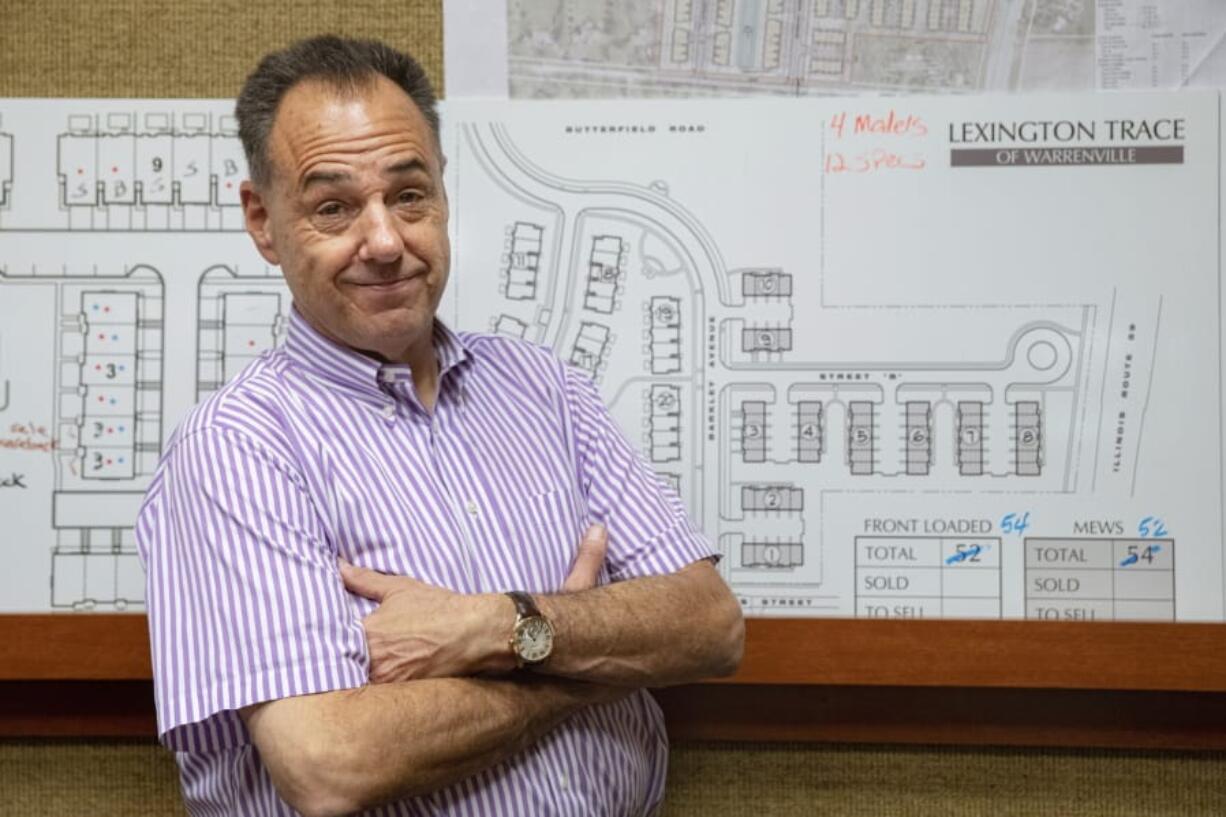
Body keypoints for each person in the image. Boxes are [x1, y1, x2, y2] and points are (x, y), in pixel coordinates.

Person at [135, 35, 744, 817]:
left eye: (409, 194)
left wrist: (496, 625)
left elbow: (711, 624)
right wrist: (579, 660)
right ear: (262, 221)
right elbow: (331, 764)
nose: (385, 241)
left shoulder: (547, 388)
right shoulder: (236, 449)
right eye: (333, 206)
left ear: (443, 194)